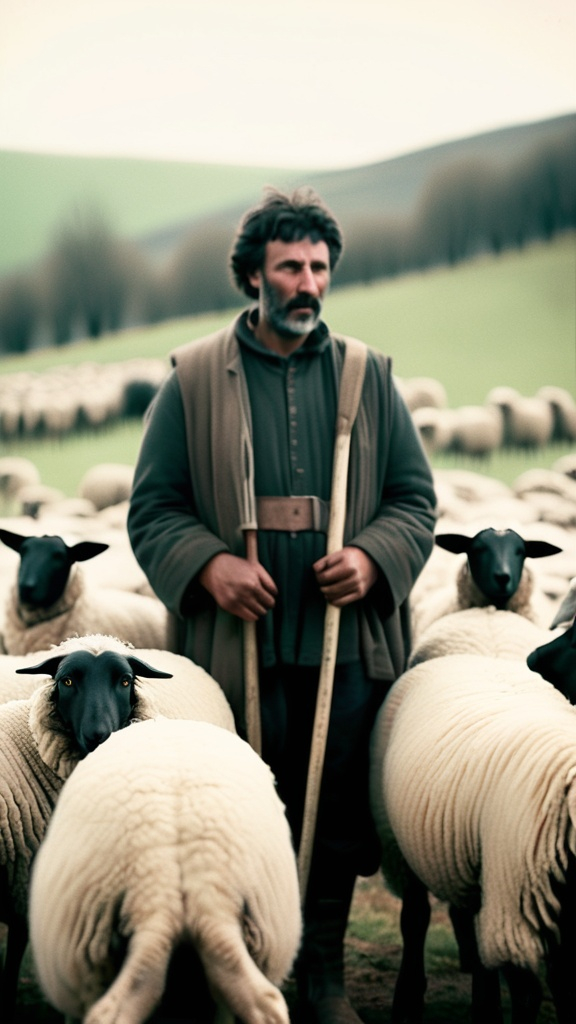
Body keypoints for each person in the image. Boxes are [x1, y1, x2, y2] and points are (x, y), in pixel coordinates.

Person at [127, 186, 437, 1024]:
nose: (307, 283)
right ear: (252, 277)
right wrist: (211, 566)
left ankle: (324, 971)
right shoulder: (192, 379)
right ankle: (239, 960)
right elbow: (152, 509)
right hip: (236, 646)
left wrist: (374, 560)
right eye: (290, 266)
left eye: (319, 268)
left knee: (335, 813)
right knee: (239, 809)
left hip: (344, 646)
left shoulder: (369, 377)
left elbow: (415, 500)